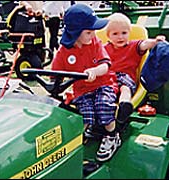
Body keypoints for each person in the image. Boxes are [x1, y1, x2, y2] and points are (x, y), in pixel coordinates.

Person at [51, 4, 121, 162]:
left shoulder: (95, 43)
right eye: (89, 32)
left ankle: (112, 135)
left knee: (103, 106)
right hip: (82, 90)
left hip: (103, 85)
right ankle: (76, 141)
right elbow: (55, 74)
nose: (93, 34)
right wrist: (54, 83)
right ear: (75, 33)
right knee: (83, 116)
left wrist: (95, 71)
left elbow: (105, 65)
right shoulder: (63, 51)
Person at [104, 13, 165, 125]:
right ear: (108, 36)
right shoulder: (104, 49)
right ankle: (105, 109)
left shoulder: (133, 46)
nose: (120, 37)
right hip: (108, 78)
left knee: (125, 88)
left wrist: (155, 42)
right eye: (115, 34)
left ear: (129, 33)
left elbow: (145, 44)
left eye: (124, 33)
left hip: (125, 77)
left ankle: (124, 105)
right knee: (103, 90)